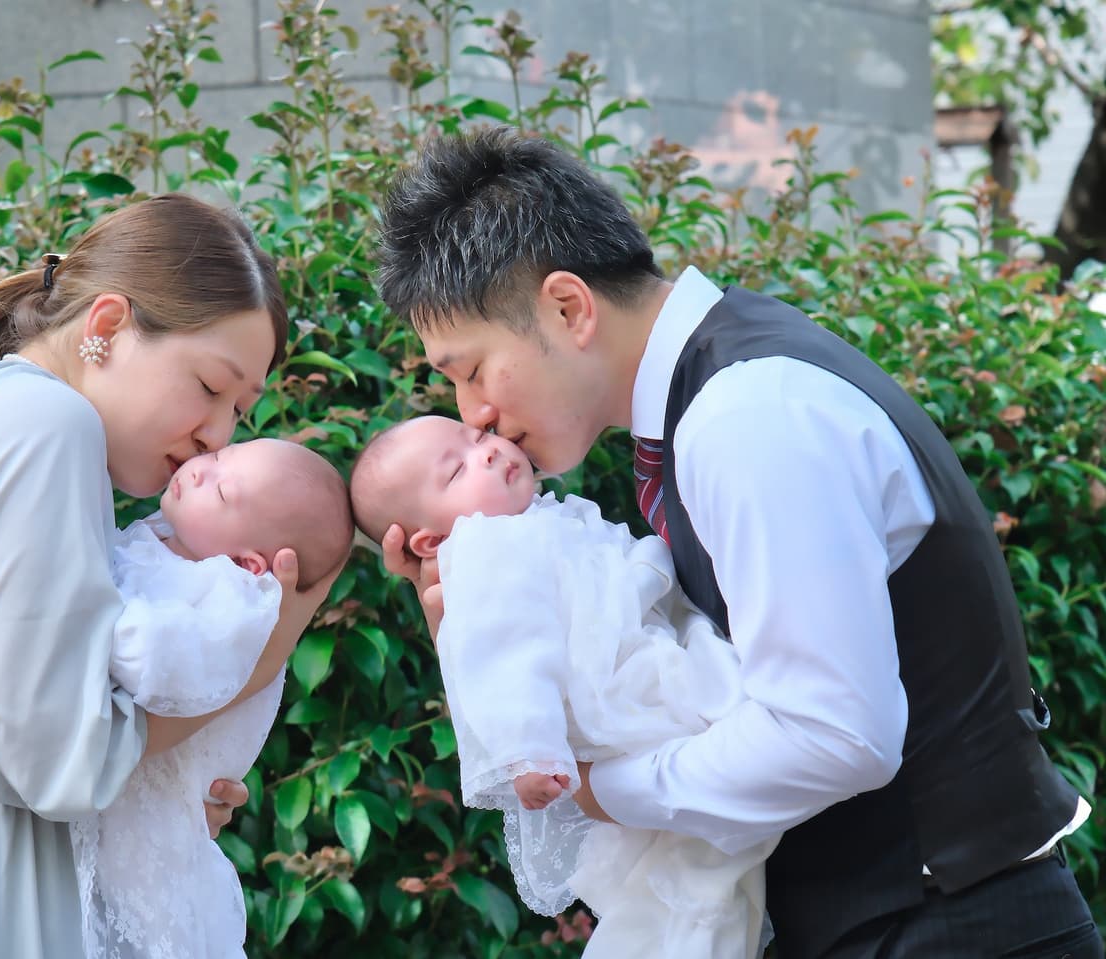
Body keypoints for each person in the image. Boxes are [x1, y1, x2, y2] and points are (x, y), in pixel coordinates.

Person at [372, 127, 1100, 958]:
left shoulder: (746, 415)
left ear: (568, 306)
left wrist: (600, 791)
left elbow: (835, 735)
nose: (474, 414)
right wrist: (478, 611)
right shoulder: (727, 386)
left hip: (953, 926)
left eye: (469, 370)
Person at [0, 194, 341, 959]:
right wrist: (259, 657)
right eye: (208, 386)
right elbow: (61, 759)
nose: (216, 434)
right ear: (107, 327)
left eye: (239, 409)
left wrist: (156, 800)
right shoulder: (48, 426)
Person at [350, 415, 774, 958]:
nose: (486, 452)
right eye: (456, 471)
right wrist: (530, 752)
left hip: (645, 675)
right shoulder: (485, 549)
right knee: (693, 876)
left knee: (693, 876)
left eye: (478, 438)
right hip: (623, 701)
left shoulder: (542, 518)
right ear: (433, 539)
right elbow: (506, 655)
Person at [73, 438, 353, 959]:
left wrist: (80, 607)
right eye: (220, 458)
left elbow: (151, 662)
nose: (200, 470)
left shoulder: (232, 603)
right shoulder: (164, 543)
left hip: (144, 827)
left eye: (222, 490)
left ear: (249, 565)